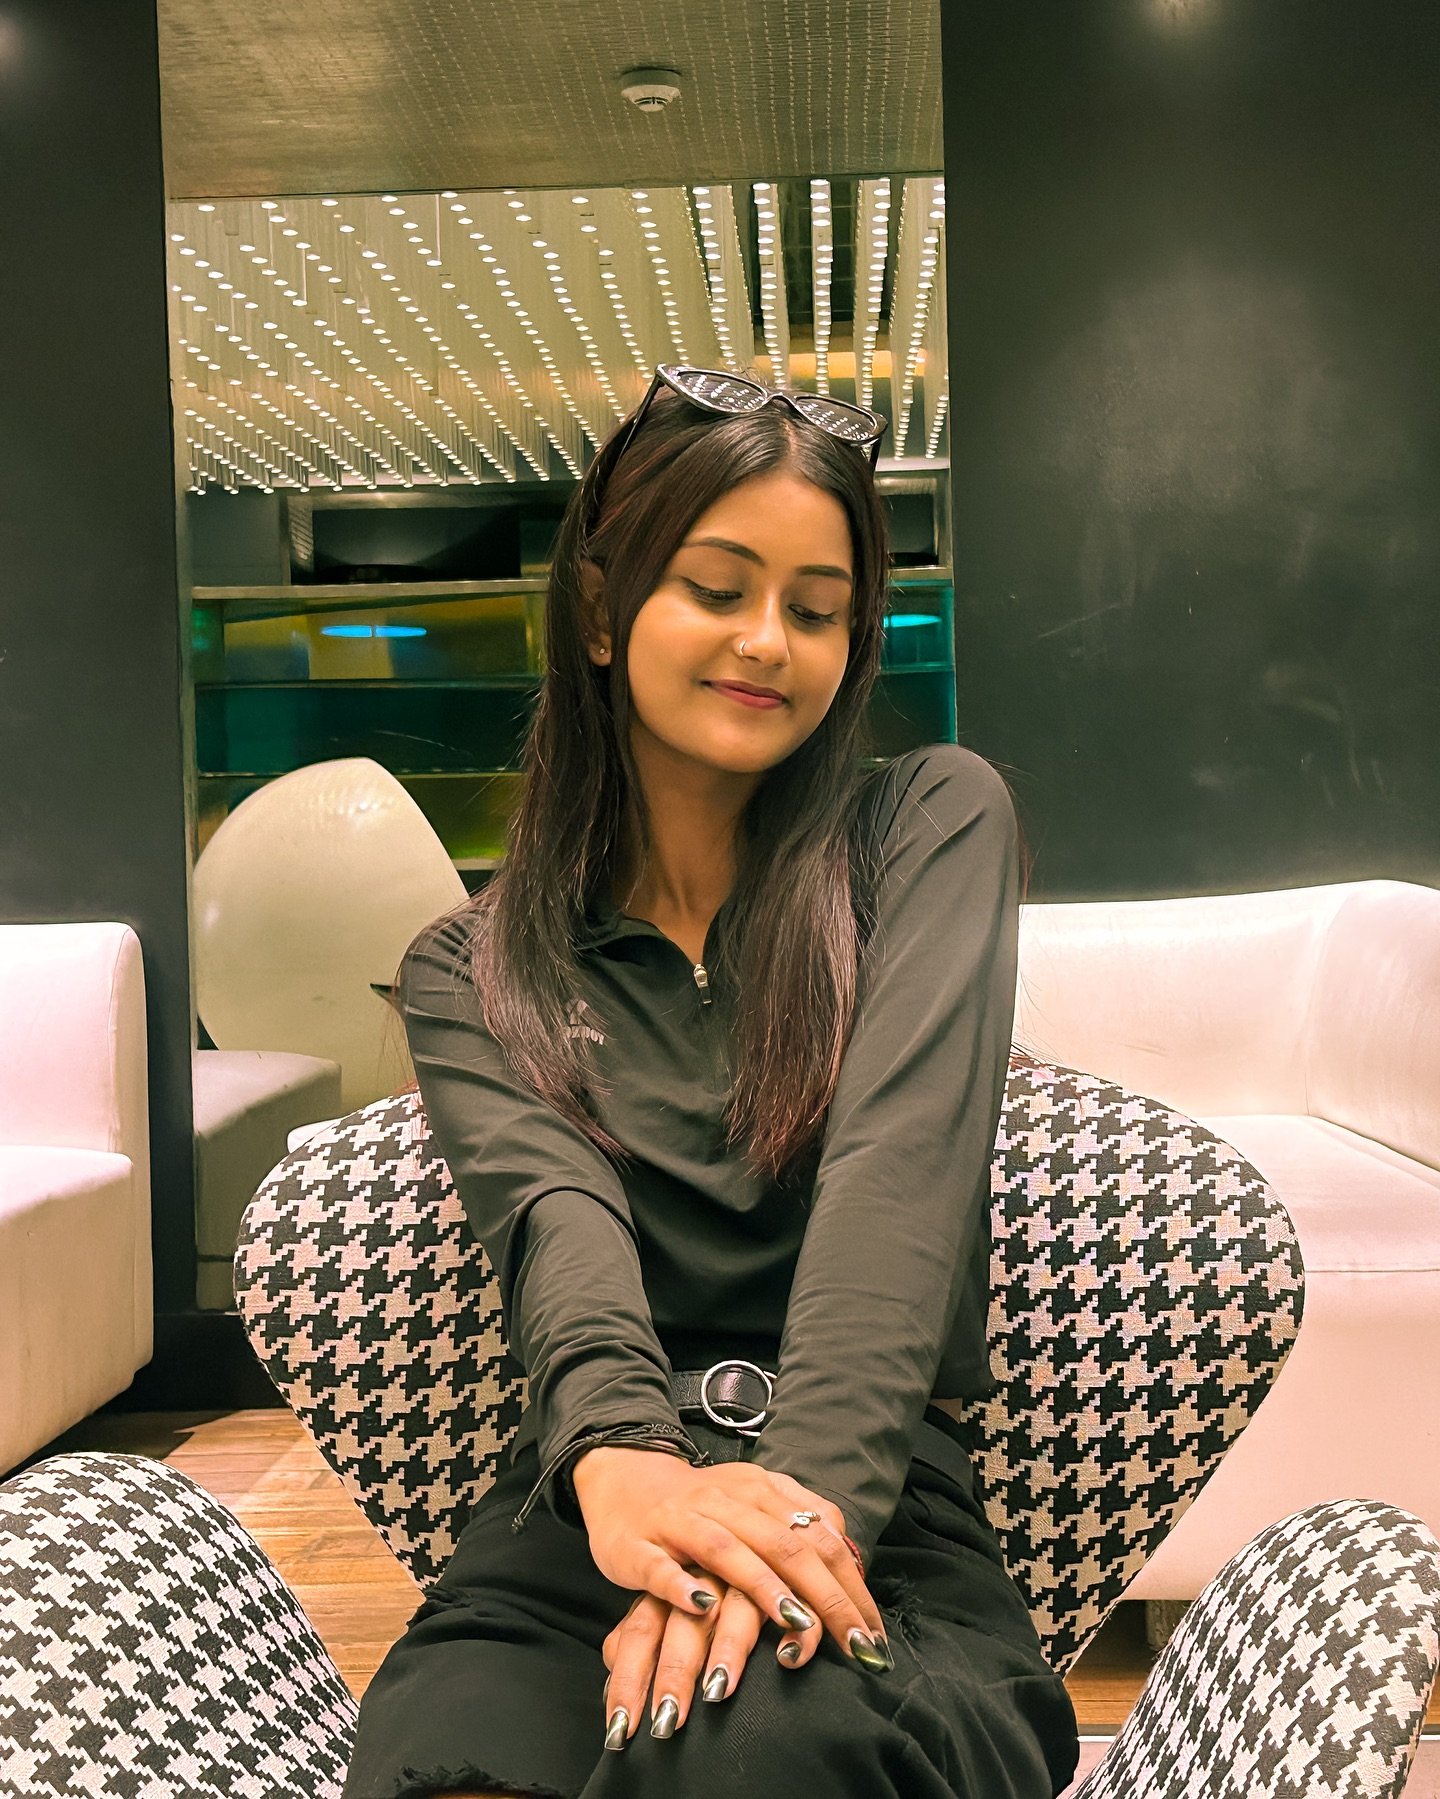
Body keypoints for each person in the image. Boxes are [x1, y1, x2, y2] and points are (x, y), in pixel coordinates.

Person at [343, 366, 1081, 1799]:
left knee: (755, 1744)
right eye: (719, 588)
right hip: (595, 1516)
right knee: (454, 1771)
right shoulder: (473, 964)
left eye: (817, 609)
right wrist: (623, 1461)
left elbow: (896, 1190)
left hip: (878, 1511)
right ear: (603, 610)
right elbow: (557, 1228)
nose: (768, 641)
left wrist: (782, 1541)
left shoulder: (929, 826)